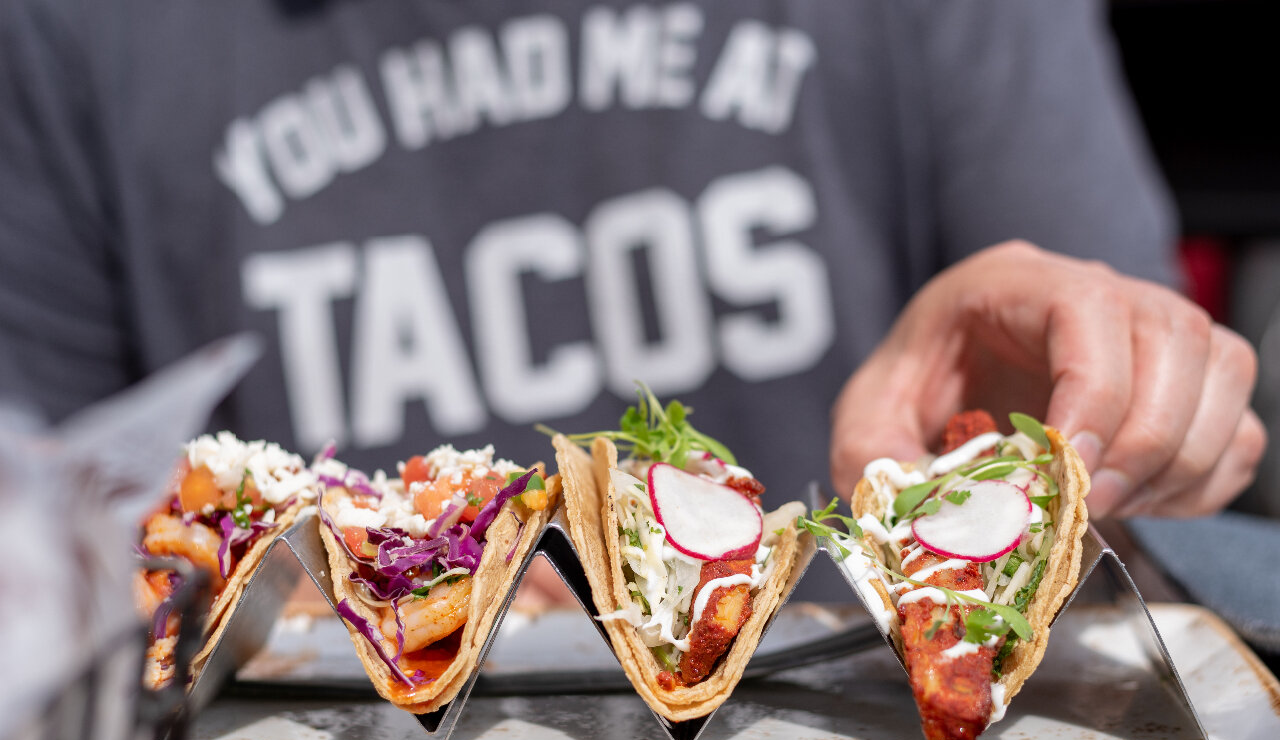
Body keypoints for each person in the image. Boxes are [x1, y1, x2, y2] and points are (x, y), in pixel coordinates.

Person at [0, 0, 1263, 601]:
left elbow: (1155, 459)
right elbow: (30, 540)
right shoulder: (76, 37)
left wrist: (1092, 420)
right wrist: (287, 576)